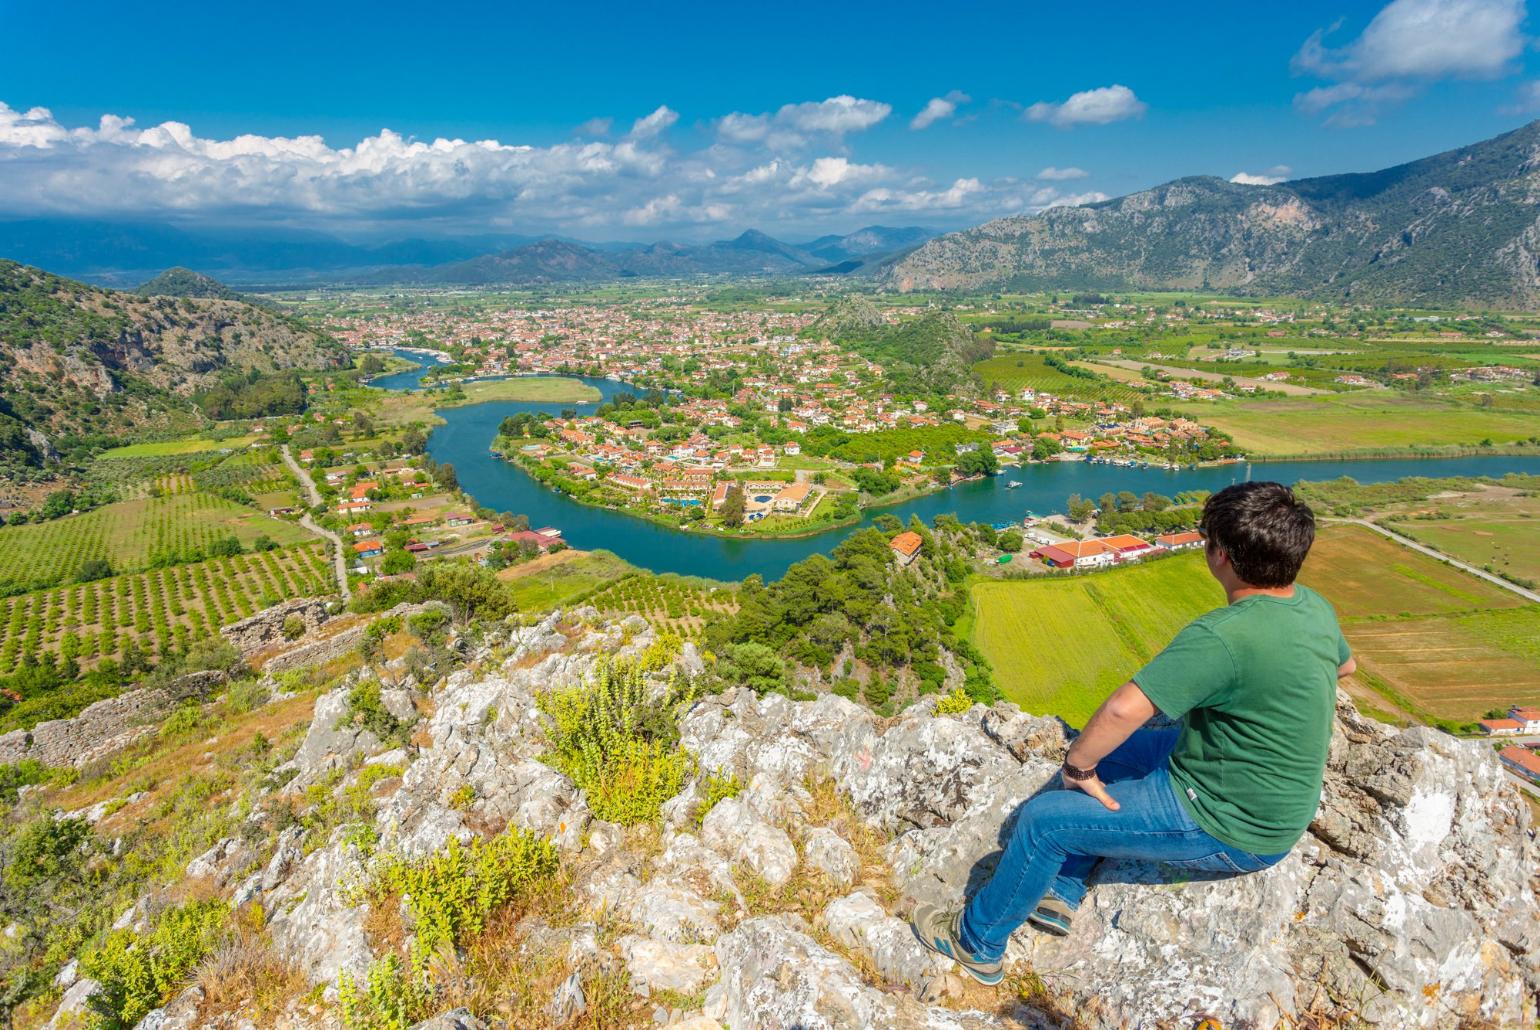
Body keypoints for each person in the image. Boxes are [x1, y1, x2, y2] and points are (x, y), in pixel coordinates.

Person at [912, 481, 1355, 985]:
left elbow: (1124, 709)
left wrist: (1077, 766)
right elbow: (1346, 667)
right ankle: (1062, 888)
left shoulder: (1223, 636)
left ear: (1222, 556)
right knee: (1118, 758)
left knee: (1042, 821)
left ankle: (977, 942)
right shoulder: (1313, 607)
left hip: (1230, 823)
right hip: (1261, 792)